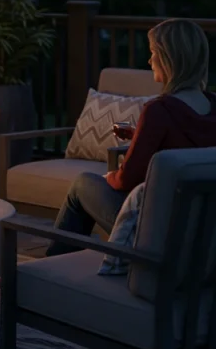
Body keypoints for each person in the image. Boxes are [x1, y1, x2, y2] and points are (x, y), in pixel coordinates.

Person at [47, 18, 216, 256]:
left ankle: (52, 268)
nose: (149, 61)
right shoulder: (212, 106)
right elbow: (185, 144)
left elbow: (127, 180)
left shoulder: (160, 111)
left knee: (82, 184)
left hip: (156, 232)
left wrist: (110, 177)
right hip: (198, 231)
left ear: (168, 59)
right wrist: (141, 135)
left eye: (153, 53)